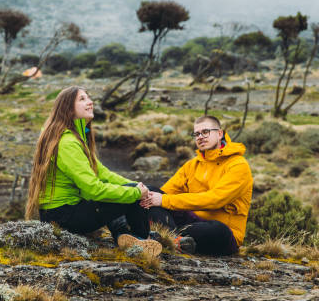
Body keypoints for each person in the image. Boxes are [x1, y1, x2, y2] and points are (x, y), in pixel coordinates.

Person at [25, 86, 161, 256]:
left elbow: (102, 173)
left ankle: (125, 235)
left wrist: (136, 186)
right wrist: (135, 193)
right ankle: (141, 238)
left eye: (89, 98)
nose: (90, 102)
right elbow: (93, 189)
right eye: (82, 99)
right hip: (64, 217)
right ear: (68, 108)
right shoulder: (68, 143)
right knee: (130, 197)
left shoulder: (75, 136)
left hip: (64, 212)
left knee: (131, 190)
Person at [140, 115, 253, 256]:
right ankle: (174, 240)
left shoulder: (238, 165)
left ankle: (166, 238)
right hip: (188, 225)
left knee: (219, 229)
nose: (200, 137)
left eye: (205, 132)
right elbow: (165, 191)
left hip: (221, 233)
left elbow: (215, 200)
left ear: (219, 134)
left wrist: (164, 200)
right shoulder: (192, 165)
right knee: (150, 191)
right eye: (197, 134)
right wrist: (150, 197)